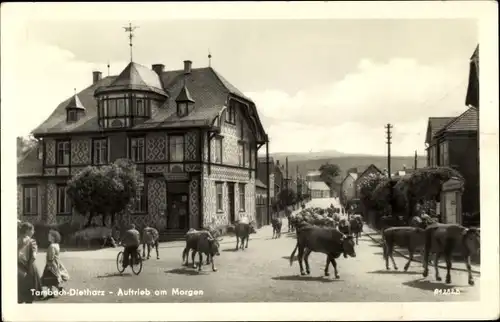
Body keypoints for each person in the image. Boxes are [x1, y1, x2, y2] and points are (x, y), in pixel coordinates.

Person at [18, 222, 42, 303]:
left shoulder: (16, 240)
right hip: (29, 268)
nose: (33, 232)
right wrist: (30, 268)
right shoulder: (32, 242)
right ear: (27, 230)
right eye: (32, 230)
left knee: (19, 294)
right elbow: (34, 257)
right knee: (29, 295)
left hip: (18, 269)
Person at [41, 230, 69, 297]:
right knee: (52, 279)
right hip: (56, 264)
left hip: (51, 265)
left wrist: (49, 264)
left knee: (48, 279)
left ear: (53, 237)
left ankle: (52, 292)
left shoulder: (52, 246)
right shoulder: (57, 245)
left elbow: (51, 257)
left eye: (49, 235)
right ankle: (58, 290)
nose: (48, 236)